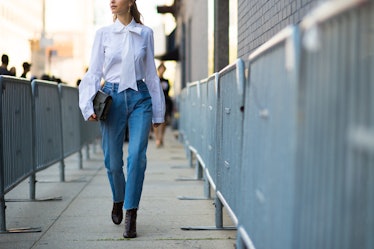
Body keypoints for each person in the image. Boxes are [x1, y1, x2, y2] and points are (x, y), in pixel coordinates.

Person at [78, 0, 165, 239]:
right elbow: (94, 71)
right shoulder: (103, 34)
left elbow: (150, 74)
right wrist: (87, 105)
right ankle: (119, 198)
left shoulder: (145, 33)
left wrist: (158, 111)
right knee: (113, 162)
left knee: (137, 156)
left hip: (140, 98)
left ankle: (131, 213)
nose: (112, 1)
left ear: (131, 1)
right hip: (112, 100)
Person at [154, 62, 173, 148]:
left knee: (164, 120)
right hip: (156, 101)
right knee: (155, 120)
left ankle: (161, 137)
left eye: (163, 69)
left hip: (165, 101)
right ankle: (157, 138)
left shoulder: (166, 81)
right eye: (161, 69)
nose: (162, 71)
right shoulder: (155, 79)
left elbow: (168, 91)